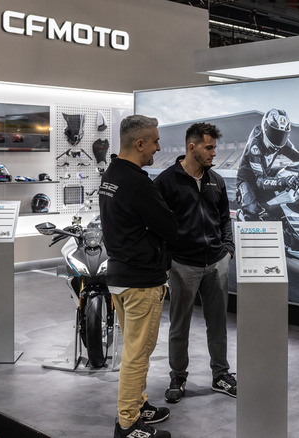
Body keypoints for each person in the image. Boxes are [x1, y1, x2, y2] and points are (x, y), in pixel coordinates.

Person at [99, 115, 178, 438]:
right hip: (141, 281)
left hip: (120, 275)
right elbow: (170, 227)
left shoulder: (112, 174)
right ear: (140, 143)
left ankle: (139, 402)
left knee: (134, 348)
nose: (158, 148)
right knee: (137, 354)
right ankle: (128, 422)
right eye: (155, 142)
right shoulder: (137, 182)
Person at [153, 122, 237, 404]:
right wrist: (167, 262)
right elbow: (156, 228)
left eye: (215, 147)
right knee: (179, 326)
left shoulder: (217, 180)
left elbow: (225, 218)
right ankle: (178, 376)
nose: (214, 153)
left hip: (216, 262)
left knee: (218, 324)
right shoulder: (165, 182)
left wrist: (228, 250)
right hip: (182, 264)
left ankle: (221, 375)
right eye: (209, 147)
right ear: (192, 147)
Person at [236, 108, 299, 221]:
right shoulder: (255, 146)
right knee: (251, 211)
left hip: (265, 172)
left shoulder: (284, 144)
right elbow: (260, 181)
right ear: (265, 128)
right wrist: (285, 181)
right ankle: (243, 215)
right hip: (247, 179)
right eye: (275, 133)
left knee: (292, 169)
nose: (278, 139)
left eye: (282, 135)